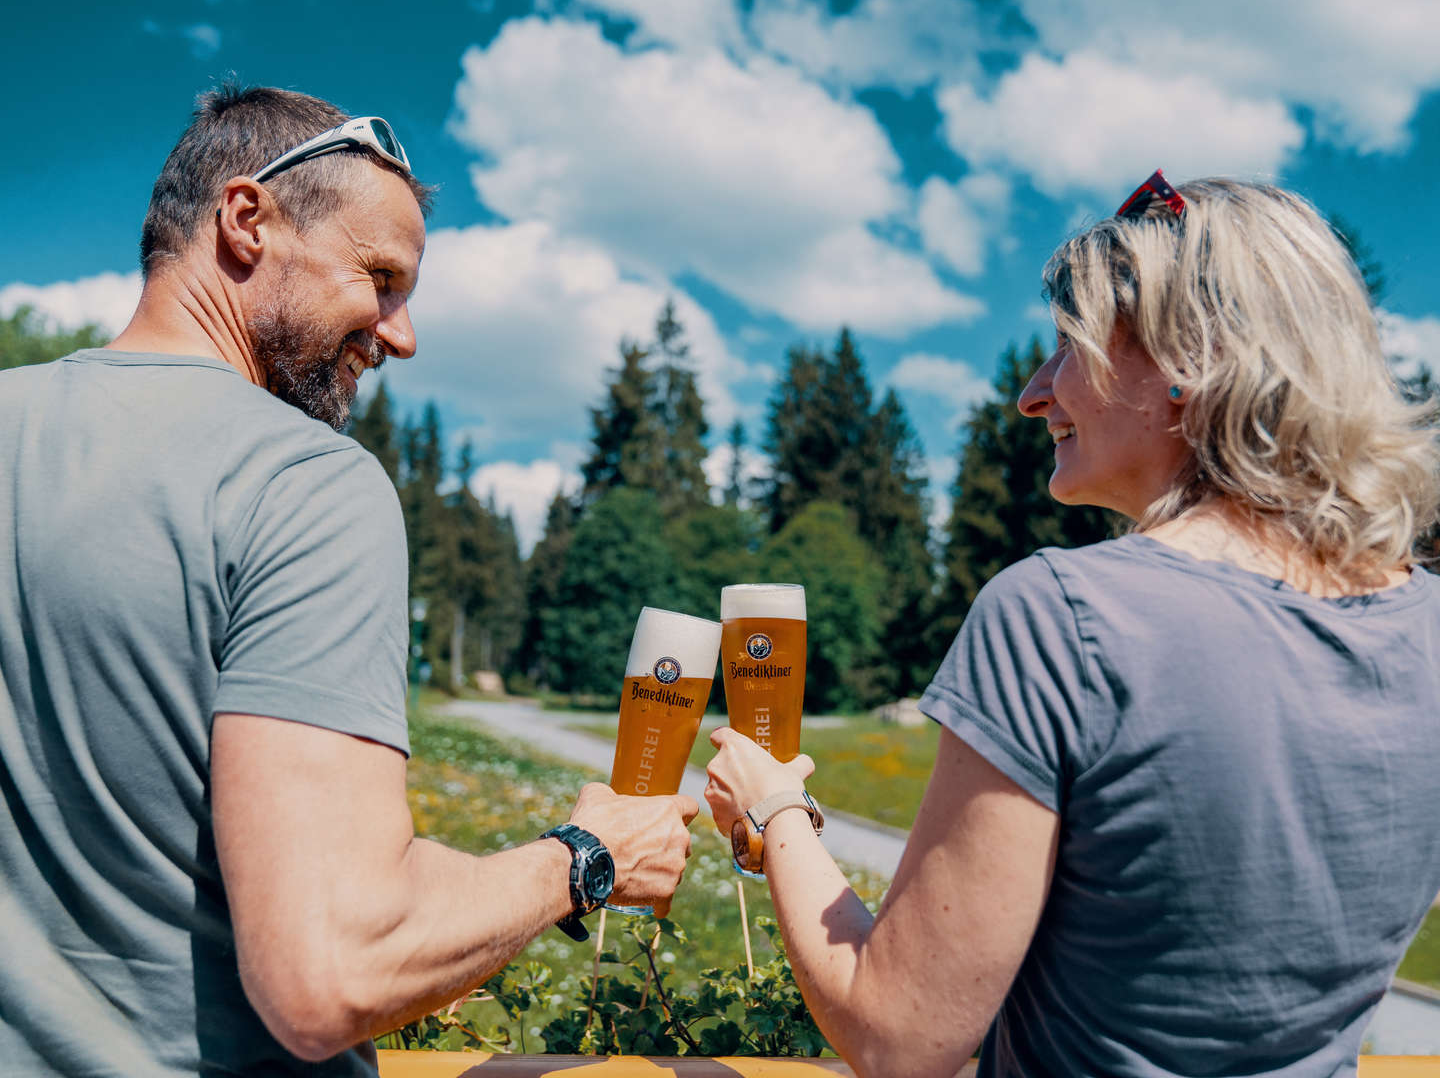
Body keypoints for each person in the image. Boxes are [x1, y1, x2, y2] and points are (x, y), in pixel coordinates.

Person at [0, 84, 696, 1075]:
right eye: (381, 277)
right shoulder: (300, 482)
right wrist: (585, 856)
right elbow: (331, 969)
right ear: (246, 221)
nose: (400, 333)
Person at [706, 173, 1440, 1077]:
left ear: (1189, 361)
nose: (1032, 391)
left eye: (1069, 345)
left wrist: (775, 807)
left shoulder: (1060, 617)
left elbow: (898, 1034)